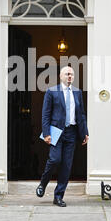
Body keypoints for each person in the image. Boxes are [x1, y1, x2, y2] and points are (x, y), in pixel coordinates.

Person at [36, 66, 89, 207]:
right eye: (67, 74)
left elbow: (81, 114)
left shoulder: (77, 92)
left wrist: (85, 133)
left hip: (71, 132)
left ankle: (58, 196)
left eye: (71, 74)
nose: (69, 76)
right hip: (56, 131)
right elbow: (45, 114)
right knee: (54, 159)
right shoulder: (51, 91)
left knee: (66, 165)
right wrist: (46, 133)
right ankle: (43, 184)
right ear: (60, 76)